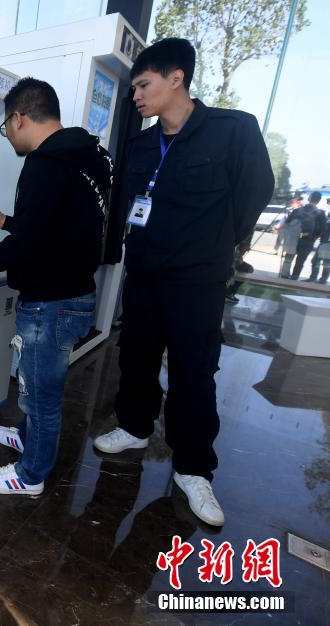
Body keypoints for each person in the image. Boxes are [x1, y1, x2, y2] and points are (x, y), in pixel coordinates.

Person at [92, 39, 273, 527]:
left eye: (143, 85)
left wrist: (218, 244)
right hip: (146, 276)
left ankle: (194, 469)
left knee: (194, 372)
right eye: (133, 88)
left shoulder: (232, 131)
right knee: (136, 357)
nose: (136, 96)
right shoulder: (142, 146)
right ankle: (132, 426)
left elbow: (256, 192)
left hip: (198, 282)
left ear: (177, 79)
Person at [0, 77, 112, 497]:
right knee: (38, 382)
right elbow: (58, 229)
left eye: (6, 127)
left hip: (50, 304)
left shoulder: (45, 163)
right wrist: (7, 222)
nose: (8, 137)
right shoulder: (89, 155)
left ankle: (30, 474)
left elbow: (30, 245)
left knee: (41, 393)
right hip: (75, 294)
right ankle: (27, 436)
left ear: (19, 118)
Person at [282, 191, 326, 280]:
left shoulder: (297, 210)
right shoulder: (320, 213)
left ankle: (284, 275)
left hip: (293, 239)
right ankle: (294, 277)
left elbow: (287, 223)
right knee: (300, 261)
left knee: (288, 258)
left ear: (309, 198)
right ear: (319, 200)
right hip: (308, 240)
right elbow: (323, 229)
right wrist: (315, 237)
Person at [309, 200, 330, 284]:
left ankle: (314, 277)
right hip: (326, 242)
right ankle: (323, 279)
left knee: (316, 260)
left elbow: (324, 230)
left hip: (326, 243)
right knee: (327, 262)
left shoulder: (328, 221)